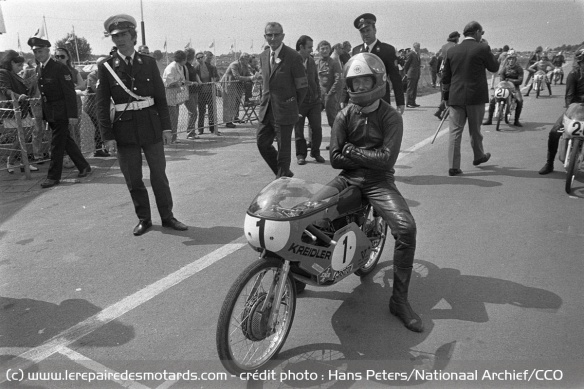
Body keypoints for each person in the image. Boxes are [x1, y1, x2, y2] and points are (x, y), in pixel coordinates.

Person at [328, 52, 422, 332]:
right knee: (309, 211)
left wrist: (353, 151)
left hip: (379, 182)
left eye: (364, 81)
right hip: (348, 178)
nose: (359, 88)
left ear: (377, 81)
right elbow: (335, 158)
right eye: (354, 83)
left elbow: (386, 160)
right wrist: (368, 155)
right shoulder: (344, 115)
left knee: (406, 229)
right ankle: (298, 274)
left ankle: (400, 300)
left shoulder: (391, 117)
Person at [96, 14, 188, 235]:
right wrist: (107, 136)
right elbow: (101, 105)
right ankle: (144, 219)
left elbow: (160, 97)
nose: (120, 40)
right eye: (115, 36)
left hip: (151, 125)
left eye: (124, 35)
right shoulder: (107, 67)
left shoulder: (147, 63)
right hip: (123, 129)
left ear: (133, 36)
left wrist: (167, 127)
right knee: (133, 178)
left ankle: (168, 217)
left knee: (159, 175)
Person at [27, 36, 91, 188]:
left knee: (56, 145)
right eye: (35, 52)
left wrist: (72, 115)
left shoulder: (59, 67)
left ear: (48, 51)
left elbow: (69, 93)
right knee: (66, 141)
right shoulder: (40, 68)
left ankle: (53, 177)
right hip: (51, 112)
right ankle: (84, 166)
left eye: (40, 51)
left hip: (61, 112)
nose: (38, 54)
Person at [441, 21, 499, 176]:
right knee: (475, 129)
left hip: (456, 96)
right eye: (482, 33)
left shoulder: (452, 51)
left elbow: (445, 78)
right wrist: (488, 49)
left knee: (455, 132)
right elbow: (494, 67)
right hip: (476, 96)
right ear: (477, 32)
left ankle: (454, 166)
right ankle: (478, 155)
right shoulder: (482, 47)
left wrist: (446, 97)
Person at [257, 22, 307, 178]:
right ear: (265, 37)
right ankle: (284, 175)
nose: (273, 38)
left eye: (276, 34)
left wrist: (293, 106)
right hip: (267, 110)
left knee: (284, 150)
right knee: (262, 143)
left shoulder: (293, 56)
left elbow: (302, 87)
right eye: (269, 35)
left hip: (285, 110)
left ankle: (282, 180)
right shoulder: (263, 56)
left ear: (283, 36)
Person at [538, 49, 584, 175]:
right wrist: (571, 110)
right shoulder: (573, 74)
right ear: (579, 63)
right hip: (575, 110)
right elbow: (569, 96)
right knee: (554, 132)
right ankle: (549, 163)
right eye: (583, 62)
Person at [350, 13, 405, 114]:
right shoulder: (356, 51)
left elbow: (395, 77)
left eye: (368, 30)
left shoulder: (387, 50)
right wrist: (344, 99)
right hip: (361, 97)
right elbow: (351, 76)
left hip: (381, 97)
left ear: (375, 30)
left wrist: (400, 102)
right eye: (362, 32)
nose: (365, 34)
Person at [0, 50, 40, 173]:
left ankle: (21, 162)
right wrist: (18, 96)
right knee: (21, 136)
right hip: (14, 109)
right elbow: (5, 89)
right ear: (11, 62)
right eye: (19, 65)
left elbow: (23, 87)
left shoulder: (13, 74)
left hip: (22, 109)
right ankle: (14, 161)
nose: (21, 68)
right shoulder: (3, 72)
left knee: (25, 135)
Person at [294, 35, 324, 165]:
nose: (312, 50)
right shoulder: (292, 61)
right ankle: (301, 155)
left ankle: (315, 152)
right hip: (299, 103)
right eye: (309, 47)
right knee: (299, 130)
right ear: (301, 47)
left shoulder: (311, 61)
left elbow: (316, 80)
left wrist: (319, 96)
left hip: (314, 102)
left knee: (317, 128)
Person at [54, 47, 86, 168]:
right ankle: (64, 157)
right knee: (62, 132)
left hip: (74, 102)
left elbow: (82, 85)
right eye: (57, 56)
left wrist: (70, 90)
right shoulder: (52, 71)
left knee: (75, 130)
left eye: (62, 56)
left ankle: (77, 156)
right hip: (59, 105)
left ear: (67, 58)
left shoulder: (73, 71)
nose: (59, 59)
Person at [483, 51, 524, 127]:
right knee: (492, 100)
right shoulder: (504, 68)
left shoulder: (519, 69)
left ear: (515, 60)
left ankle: (516, 121)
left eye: (512, 59)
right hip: (504, 87)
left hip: (515, 88)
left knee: (520, 101)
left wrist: (509, 80)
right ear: (507, 60)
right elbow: (501, 78)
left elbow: (520, 81)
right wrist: (504, 80)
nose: (511, 60)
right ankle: (489, 119)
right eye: (509, 59)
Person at [85, 56, 110, 156]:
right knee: (100, 125)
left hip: (102, 105)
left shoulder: (109, 73)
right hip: (92, 106)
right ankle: (98, 149)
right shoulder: (92, 75)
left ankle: (106, 147)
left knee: (105, 125)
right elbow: (97, 89)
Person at [162, 50, 190, 143]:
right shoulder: (171, 67)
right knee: (172, 118)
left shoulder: (180, 67)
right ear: (182, 59)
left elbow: (181, 80)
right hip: (169, 96)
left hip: (176, 96)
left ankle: (174, 137)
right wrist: (181, 83)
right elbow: (170, 83)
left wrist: (181, 83)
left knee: (175, 118)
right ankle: (170, 139)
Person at [221, 52, 254, 128]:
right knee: (229, 103)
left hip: (238, 86)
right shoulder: (234, 64)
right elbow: (237, 76)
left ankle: (235, 117)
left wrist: (254, 76)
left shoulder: (245, 65)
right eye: (246, 60)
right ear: (241, 59)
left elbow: (248, 74)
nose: (247, 61)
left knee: (236, 103)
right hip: (229, 84)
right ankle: (228, 121)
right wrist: (250, 78)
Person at [316, 40, 342, 128]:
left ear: (330, 49)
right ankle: (312, 141)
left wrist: (331, 93)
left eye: (327, 48)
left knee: (333, 121)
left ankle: (335, 141)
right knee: (314, 120)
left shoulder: (334, 63)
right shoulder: (315, 63)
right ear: (318, 50)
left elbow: (338, 80)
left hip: (331, 96)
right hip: (319, 96)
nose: (325, 51)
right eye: (322, 49)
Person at [434, 31, 460, 119]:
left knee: (444, 93)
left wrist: (438, 71)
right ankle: (445, 111)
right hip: (451, 72)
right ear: (456, 38)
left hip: (443, 71)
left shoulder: (444, 47)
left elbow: (440, 59)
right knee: (452, 93)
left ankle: (441, 110)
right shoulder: (456, 47)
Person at [194, 51, 219, 134]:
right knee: (201, 111)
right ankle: (200, 129)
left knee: (212, 110)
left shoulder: (211, 67)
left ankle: (212, 128)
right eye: (198, 58)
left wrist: (213, 81)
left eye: (202, 57)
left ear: (204, 57)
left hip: (210, 92)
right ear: (196, 59)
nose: (200, 59)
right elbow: (196, 79)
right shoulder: (196, 68)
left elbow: (217, 77)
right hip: (201, 93)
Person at [184, 48, 200, 139]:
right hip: (188, 92)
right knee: (193, 112)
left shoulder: (191, 65)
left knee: (193, 112)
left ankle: (192, 131)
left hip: (194, 91)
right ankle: (190, 132)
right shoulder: (185, 66)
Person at [404, 42, 421, 107]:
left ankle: (413, 102)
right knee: (410, 89)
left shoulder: (417, 54)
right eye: (418, 46)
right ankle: (408, 102)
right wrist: (406, 73)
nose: (419, 48)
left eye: (419, 46)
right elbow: (406, 64)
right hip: (411, 73)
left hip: (416, 74)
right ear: (414, 47)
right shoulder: (411, 54)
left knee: (414, 89)